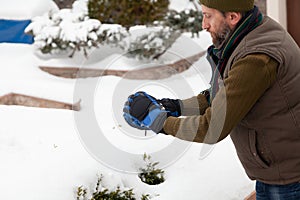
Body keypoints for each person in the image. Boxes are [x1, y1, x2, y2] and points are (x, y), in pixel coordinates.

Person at [122, 0, 300, 199]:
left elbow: (213, 128)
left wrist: (160, 123)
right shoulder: (254, 31)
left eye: (208, 16)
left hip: (287, 179)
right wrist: (176, 107)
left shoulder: (256, 58)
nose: (203, 25)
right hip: (279, 170)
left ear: (233, 17)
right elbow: (221, 94)